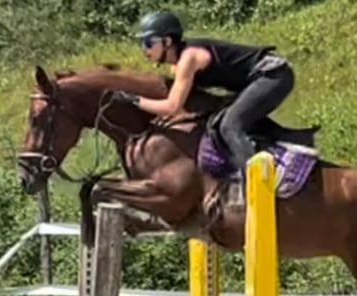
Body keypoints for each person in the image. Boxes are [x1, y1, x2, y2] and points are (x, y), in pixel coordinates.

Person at [111, 10, 296, 174]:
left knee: (229, 125)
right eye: (142, 43)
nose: (144, 49)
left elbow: (172, 106)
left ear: (167, 41)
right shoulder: (178, 65)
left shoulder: (188, 59)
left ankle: (261, 180)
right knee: (220, 118)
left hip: (273, 74)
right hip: (258, 80)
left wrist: (135, 100)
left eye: (148, 42)